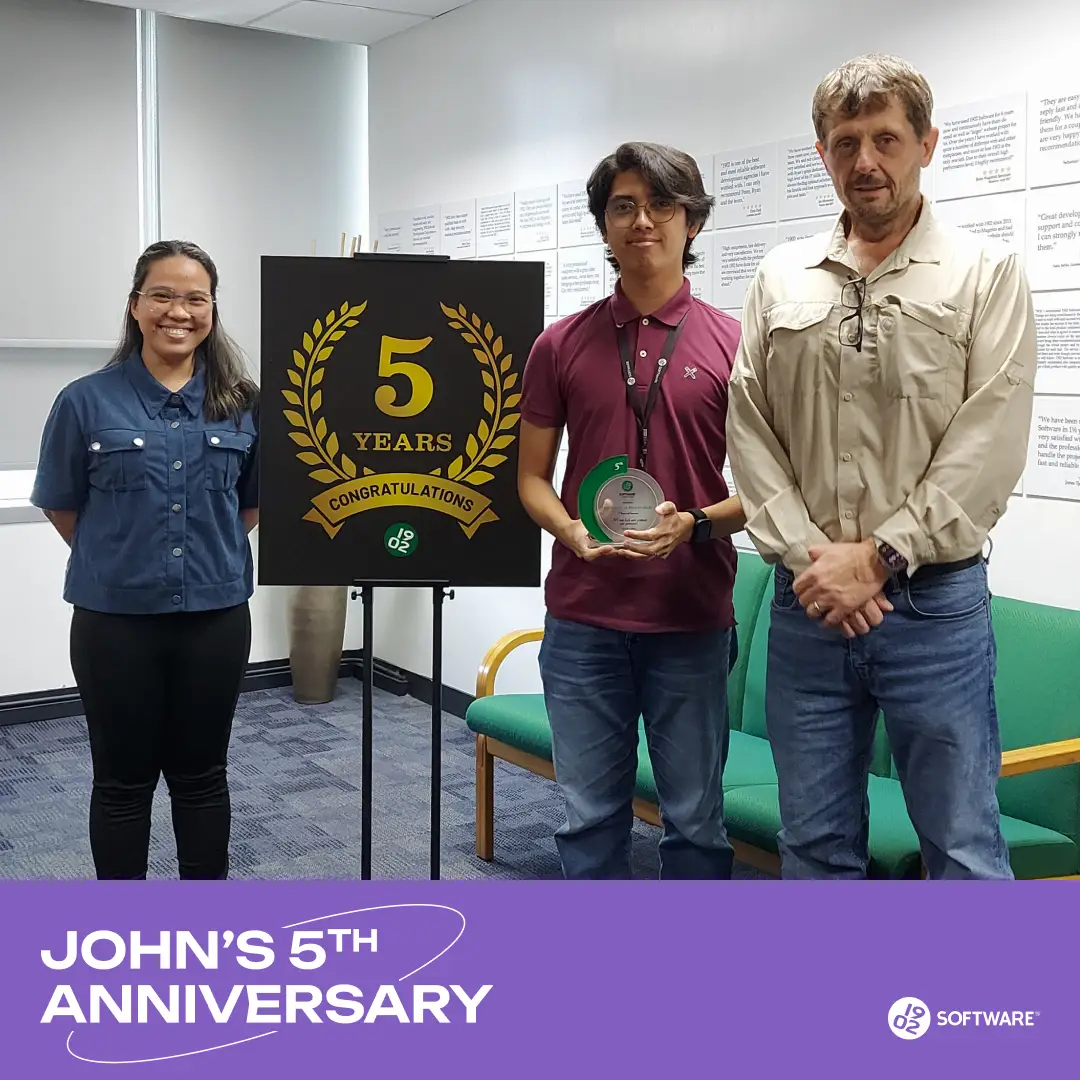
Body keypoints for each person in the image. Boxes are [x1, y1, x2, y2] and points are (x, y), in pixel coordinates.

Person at [726, 54, 1036, 880]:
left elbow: (989, 441)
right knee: (814, 845)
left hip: (932, 609)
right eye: (846, 142)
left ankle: (979, 1014)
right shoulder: (780, 278)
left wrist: (880, 556)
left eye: (887, 138)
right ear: (823, 154)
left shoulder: (984, 274)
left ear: (926, 143)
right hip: (808, 607)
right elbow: (750, 432)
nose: (867, 160)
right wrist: (812, 562)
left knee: (962, 848)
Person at [518, 141, 746, 879]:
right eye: (624, 206)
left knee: (695, 823)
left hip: (691, 620)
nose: (642, 220)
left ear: (693, 222)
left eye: (661, 204)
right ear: (604, 225)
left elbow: (774, 492)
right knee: (588, 822)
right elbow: (529, 480)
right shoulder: (559, 345)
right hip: (584, 619)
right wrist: (571, 532)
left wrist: (697, 524)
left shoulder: (738, 345)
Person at [31, 239, 260, 880]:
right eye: (162, 295)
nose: (178, 311)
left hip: (215, 619)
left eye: (195, 298)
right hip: (115, 621)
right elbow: (63, 505)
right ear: (135, 306)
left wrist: (194, 559)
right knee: (123, 782)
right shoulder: (85, 401)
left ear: (212, 310)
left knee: (203, 778)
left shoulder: (243, 403)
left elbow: (248, 505)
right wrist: (125, 556)